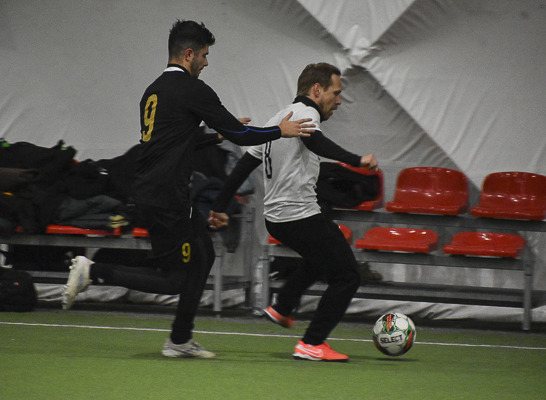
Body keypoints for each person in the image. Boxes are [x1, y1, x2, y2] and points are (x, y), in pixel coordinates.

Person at [61, 20, 314, 359]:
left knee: (203, 255)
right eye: (205, 56)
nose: (207, 63)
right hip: (166, 197)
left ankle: (180, 339)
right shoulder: (194, 89)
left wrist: (215, 136)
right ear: (189, 54)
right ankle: (93, 271)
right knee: (175, 279)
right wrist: (280, 131)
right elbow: (243, 136)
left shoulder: (153, 91)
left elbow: (174, 141)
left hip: (155, 191)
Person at [209, 62, 378, 362]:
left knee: (320, 256)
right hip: (299, 215)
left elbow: (243, 165)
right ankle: (312, 343)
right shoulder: (306, 114)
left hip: (277, 220)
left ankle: (283, 306)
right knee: (348, 276)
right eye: (336, 93)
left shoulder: (278, 118)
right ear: (317, 90)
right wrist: (357, 160)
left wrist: (218, 206)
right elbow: (316, 141)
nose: (339, 101)